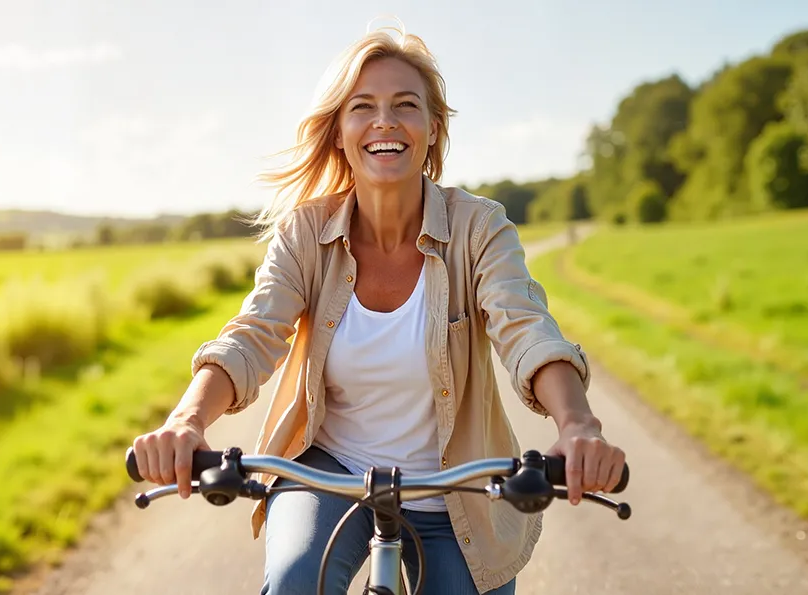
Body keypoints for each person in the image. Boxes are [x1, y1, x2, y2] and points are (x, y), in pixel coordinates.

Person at [131, 25, 626, 595]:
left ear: (433, 128)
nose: (384, 121)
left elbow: (526, 328)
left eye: (405, 106)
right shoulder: (305, 234)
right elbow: (252, 334)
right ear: (340, 132)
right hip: (329, 473)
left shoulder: (479, 228)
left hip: (456, 491)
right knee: (296, 582)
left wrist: (578, 425)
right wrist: (186, 421)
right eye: (362, 107)